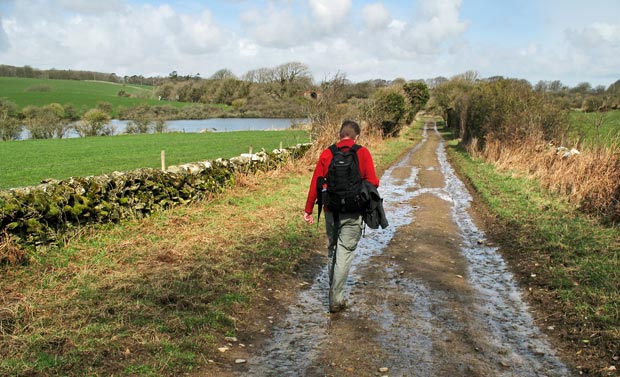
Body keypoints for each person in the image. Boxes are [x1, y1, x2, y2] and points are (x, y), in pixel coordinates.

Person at [303, 120, 379, 313]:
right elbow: (373, 182)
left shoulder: (327, 153)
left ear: (339, 135)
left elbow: (316, 183)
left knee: (333, 250)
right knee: (344, 252)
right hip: (353, 213)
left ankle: (334, 293)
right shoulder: (362, 152)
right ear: (357, 136)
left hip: (330, 210)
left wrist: (309, 209)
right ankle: (336, 299)